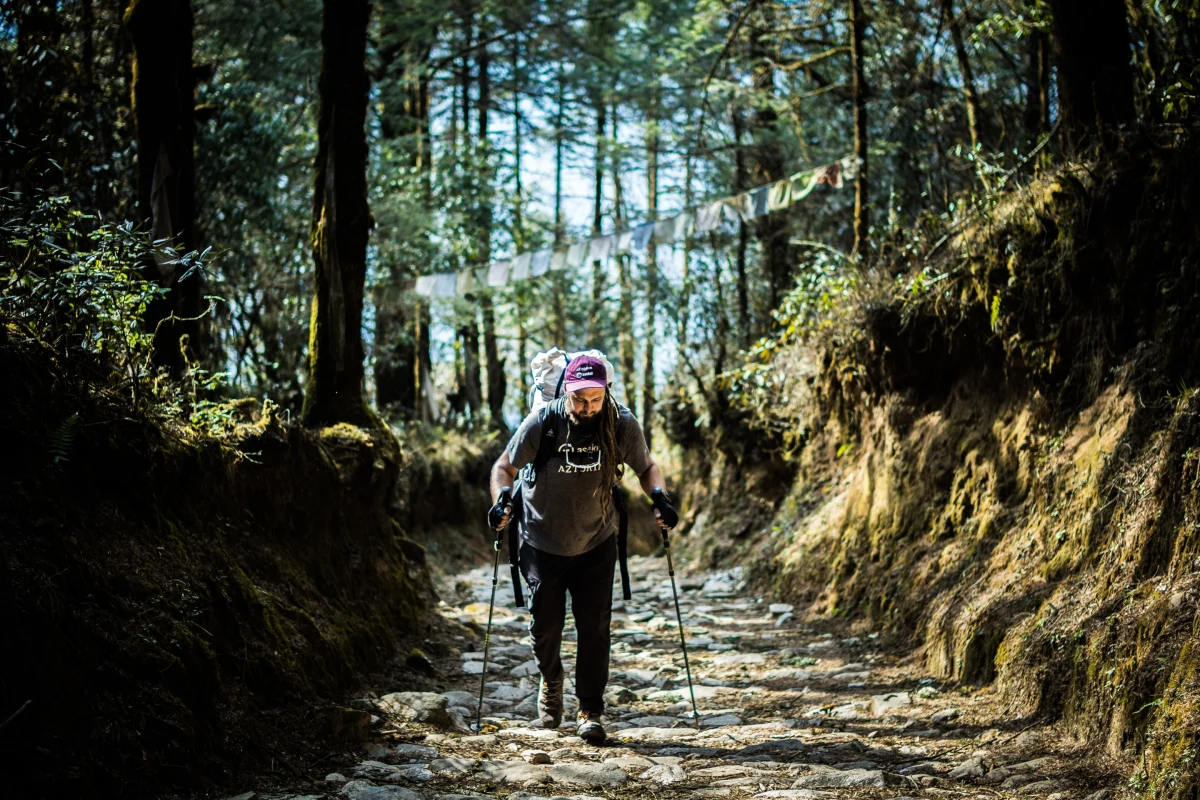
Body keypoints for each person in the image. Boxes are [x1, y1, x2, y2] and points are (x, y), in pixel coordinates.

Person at [488, 354, 679, 745]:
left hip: (596, 541)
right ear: (567, 391)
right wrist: (502, 500)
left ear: (606, 392)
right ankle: (552, 677)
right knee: (545, 628)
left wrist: (659, 498)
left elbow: (646, 467)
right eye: (579, 399)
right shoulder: (544, 422)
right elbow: (504, 467)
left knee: (595, 628)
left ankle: (590, 711)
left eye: (595, 399)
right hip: (541, 540)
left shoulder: (620, 422)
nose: (587, 407)